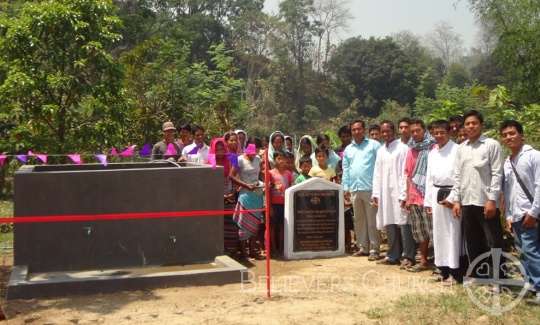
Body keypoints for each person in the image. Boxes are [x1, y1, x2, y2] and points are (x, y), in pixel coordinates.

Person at [451, 110, 505, 283]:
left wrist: (491, 199)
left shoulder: (491, 145)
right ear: (463, 127)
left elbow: (497, 174)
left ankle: (498, 278)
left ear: (481, 125)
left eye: (474, 123)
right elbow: (457, 176)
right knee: (473, 241)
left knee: (493, 241)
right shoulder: (461, 148)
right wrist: (457, 201)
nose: (471, 126)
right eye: (467, 124)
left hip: (486, 202)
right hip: (467, 201)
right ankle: (479, 275)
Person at [500, 120, 540, 305]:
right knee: (523, 252)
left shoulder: (534, 156)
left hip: (530, 215)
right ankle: (530, 286)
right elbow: (508, 192)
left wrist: (533, 212)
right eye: (505, 135)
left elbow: (539, 186)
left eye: (512, 133)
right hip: (516, 215)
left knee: (532, 251)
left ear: (521, 135)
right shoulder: (508, 162)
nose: (509, 137)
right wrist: (508, 215)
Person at [424, 120, 462, 284]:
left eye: (442, 132)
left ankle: (455, 270)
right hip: (436, 193)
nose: (438, 136)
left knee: (453, 232)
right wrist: (428, 201)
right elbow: (429, 178)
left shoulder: (457, 150)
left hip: (452, 194)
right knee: (439, 233)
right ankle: (442, 267)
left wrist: (453, 198)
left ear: (450, 132)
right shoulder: (433, 152)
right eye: (435, 133)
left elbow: (460, 177)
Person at [342, 119, 382, 261]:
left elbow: (380, 166)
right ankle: (362, 247)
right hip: (354, 188)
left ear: (364, 130)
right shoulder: (348, 149)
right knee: (359, 219)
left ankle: (374, 249)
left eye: (359, 129)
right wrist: (345, 187)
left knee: (372, 219)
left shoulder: (374, 145)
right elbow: (346, 169)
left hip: (370, 188)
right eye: (354, 130)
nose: (356, 132)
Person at [401, 118, 436, 272]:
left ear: (424, 130)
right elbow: (408, 174)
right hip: (415, 196)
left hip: (430, 197)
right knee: (420, 231)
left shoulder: (434, 148)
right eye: (412, 131)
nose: (415, 134)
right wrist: (408, 197)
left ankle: (440, 264)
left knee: (433, 230)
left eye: (418, 130)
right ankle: (422, 261)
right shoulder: (411, 149)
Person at [372, 120, 409, 265]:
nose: (385, 134)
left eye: (388, 131)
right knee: (389, 223)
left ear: (394, 131)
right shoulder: (381, 151)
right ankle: (393, 255)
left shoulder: (402, 148)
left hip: (400, 191)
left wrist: (404, 193)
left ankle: (407, 256)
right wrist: (376, 193)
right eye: (383, 132)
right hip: (385, 192)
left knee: (404, 224)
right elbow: (376, 173)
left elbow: (406, 173)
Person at [230, 140, 265, 261]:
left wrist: (265, 184)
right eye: (253, 150)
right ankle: (244, 253)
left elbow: (260, 175)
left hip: (258, 194)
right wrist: (245, 185)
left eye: (257, 151)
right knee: (244, 225)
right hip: (245, 195)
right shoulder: (239, 159)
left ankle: (252, 252)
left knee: (255, 224)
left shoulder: (258, 160)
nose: (255, 153)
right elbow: (231, 176)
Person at [269, 150, 295, 257]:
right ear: (274, 160)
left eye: (283, 159)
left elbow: (292, 187)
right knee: (272, 227)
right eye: (278, 158)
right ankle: (273, 248)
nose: (281, 161)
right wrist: (269, 205)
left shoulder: (288, 174)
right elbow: (268, 190)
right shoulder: (270, 173)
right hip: (274, 203)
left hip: (285, 204)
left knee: (282, 227)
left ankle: (282, 248)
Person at [335, 170, 354, 254]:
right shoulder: (335, 189)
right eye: (338, 179)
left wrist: (345, 203)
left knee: (347, 230)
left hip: (345, 212)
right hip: (338, 212)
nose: (340, 181)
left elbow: (350, 202)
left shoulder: (347, 190)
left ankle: (349, 247)